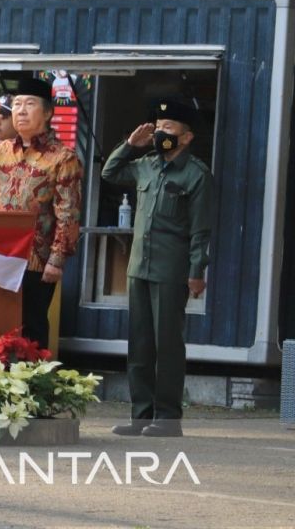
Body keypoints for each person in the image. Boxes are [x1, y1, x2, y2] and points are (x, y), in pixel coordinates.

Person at [103, 97, 213, 438]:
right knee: (139, 346)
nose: (161, 133)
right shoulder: (147, 164)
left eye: (168, 128)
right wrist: (129, 145)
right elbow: (110, 173)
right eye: (158, 128)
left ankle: (167, 418)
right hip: (139, 268)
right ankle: (141, 416)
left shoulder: (196, 175)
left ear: (187, 136)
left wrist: (197, 272)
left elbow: (200, 230)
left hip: (171, 270)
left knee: (167, 347)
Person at [0, 78, 83, 346]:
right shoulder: (0, 150)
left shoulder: (63, 157)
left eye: (29, 104)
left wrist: (57, 259)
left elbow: (68, 213)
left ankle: (36, 384)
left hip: (35, 259)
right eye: (17, 105)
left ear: (48, 113)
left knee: (32, 328)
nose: (21, 111)